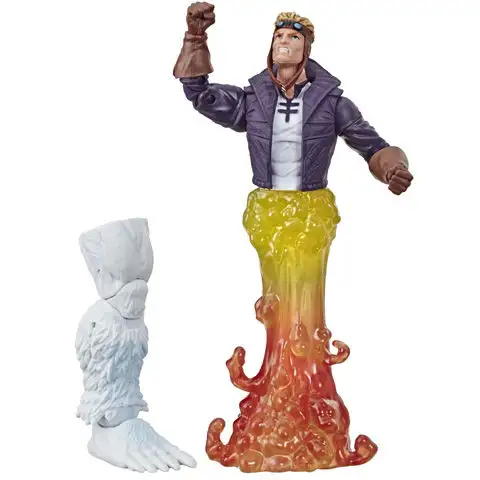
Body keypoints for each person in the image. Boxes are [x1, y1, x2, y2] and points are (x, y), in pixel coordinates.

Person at [173, 2, 414, 193]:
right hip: (266, 204)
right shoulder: (253, 100)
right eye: (278, 35)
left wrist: (393, 169)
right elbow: (200, 94)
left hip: (311, 207)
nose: (283, 40)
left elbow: (374, 148)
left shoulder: (333, 105)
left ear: (305, 49)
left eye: (293, 36)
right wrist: (195, 37)